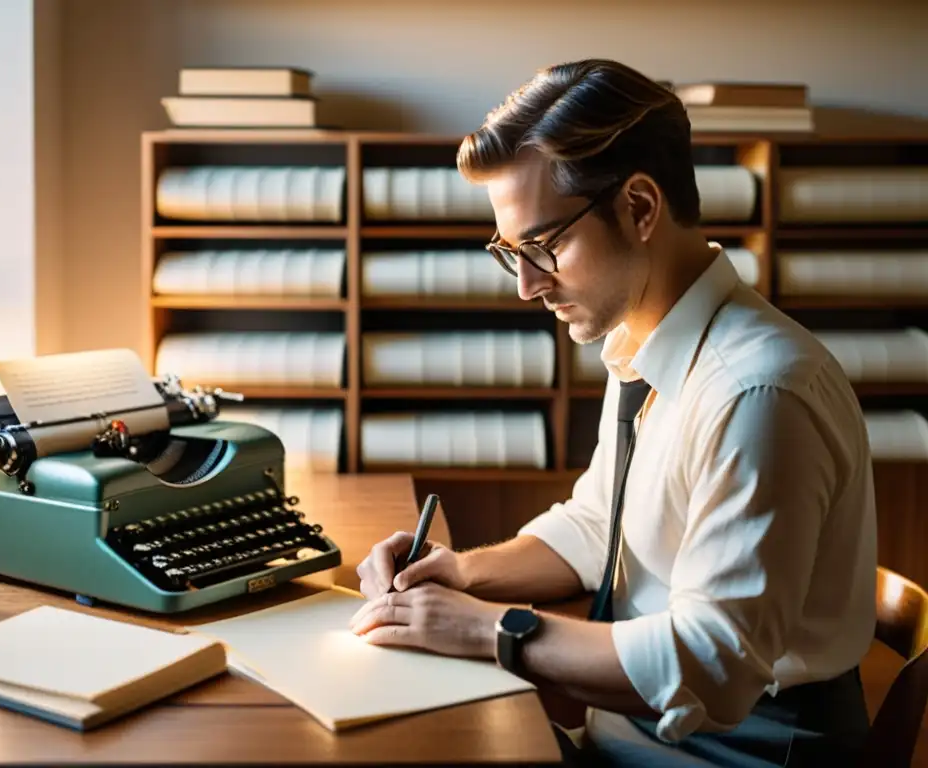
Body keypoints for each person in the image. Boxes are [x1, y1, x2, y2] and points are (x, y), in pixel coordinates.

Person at [348, 59, 879, 767]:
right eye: (512, 254)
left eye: (544, 246)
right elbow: (601, 524)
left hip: (732, 752)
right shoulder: (642, 341)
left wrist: (486, 629)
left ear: (638, 208)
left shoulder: (760, 395)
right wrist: (460, 575)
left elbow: (712, 667)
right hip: (643, 735)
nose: (527, 287)